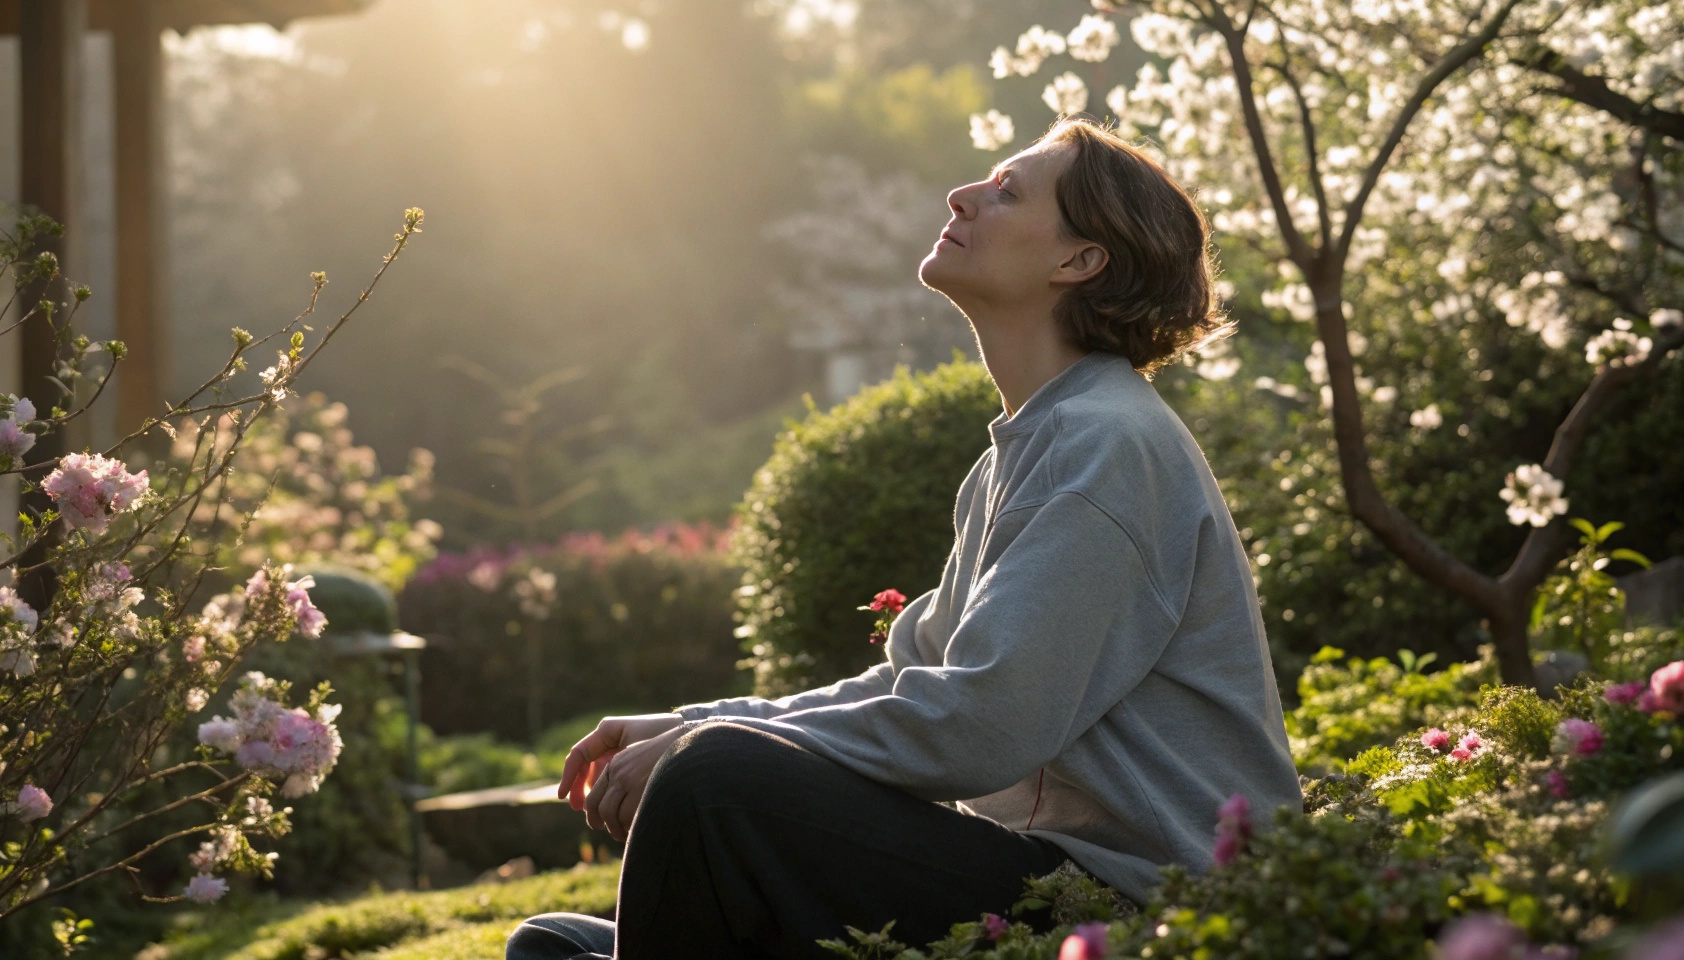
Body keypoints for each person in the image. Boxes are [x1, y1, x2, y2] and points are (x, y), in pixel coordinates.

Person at [504, 116, 1303, 960]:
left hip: (1135, 907)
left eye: (1007, 191)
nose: (963, 194)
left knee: (714, 786)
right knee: (550, 943)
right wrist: (690, 717)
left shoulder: (1108, 443)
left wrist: (702, 747)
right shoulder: (1028, 448)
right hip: (1040, 878)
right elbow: (908, 680)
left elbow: (984, 724)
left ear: (1079, 261)